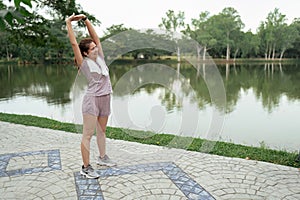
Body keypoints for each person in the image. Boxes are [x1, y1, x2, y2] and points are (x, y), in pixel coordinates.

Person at [65, 13, 116, 179]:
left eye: (95, 47)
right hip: (92, 100)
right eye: (92, 48)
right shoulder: (84, 63)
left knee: (102, 131)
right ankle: (86, 167)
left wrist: (86, 20)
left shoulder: (100, 57)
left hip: (105, 97)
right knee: (87, 134)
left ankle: (102, 158)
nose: (96, 48)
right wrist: (69, 23)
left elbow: (96, 37)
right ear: (86, 53)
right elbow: (74, 43)